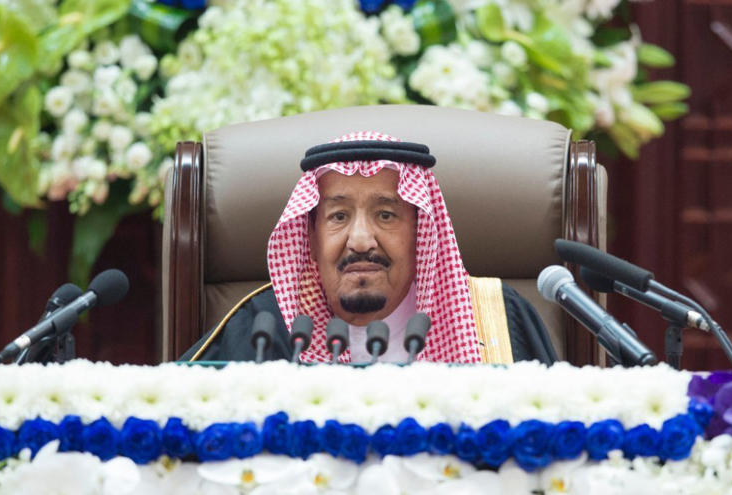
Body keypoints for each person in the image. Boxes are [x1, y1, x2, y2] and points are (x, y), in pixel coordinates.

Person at [180, 131, 557, 364]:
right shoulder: (262, 328)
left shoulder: (494, 319)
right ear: (309, 238)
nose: (361, 240)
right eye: (338, 217)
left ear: (421, 234)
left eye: (387, 216)